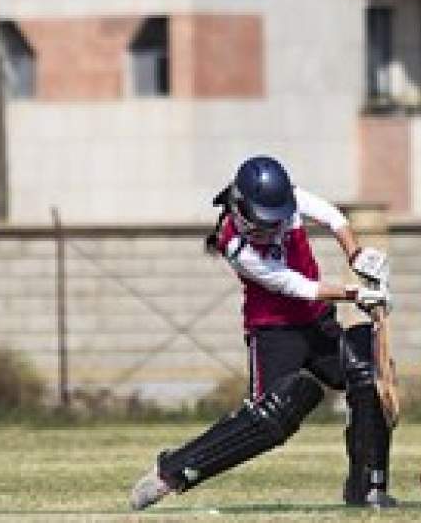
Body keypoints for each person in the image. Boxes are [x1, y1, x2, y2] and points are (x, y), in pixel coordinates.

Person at [129, 155, 396, 510]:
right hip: (274, 333)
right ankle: (171, 472)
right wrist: (356, 293)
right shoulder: (236, 246)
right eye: (265, 222)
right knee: (272, 418)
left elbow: (333, 218)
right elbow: (296, 286)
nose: (274, 228)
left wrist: (356, 254)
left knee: (368, 375)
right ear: (240, 208)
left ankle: (367, 490)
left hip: (318, 323)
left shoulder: (287, 199)